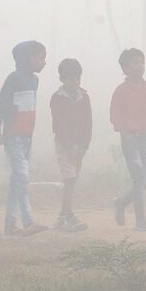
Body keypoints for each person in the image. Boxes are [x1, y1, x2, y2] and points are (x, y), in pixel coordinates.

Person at [0, 40, 49, 236]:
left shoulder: (35, 81)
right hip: (13, 135)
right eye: (41, 58)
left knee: (17, 180)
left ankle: (10, 224)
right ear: (29, 58)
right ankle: (28, 222)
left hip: (27, 136)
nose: (44, 62)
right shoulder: (14, 78)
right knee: (22, 177)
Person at [110, 48, 146, 232]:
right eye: (135, 63)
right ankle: (140, 221)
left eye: (141, 62)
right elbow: (115, 115)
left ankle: (121, 203)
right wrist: (125, 133)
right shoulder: (121, 91)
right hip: (130, 139)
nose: (139, 66)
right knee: (139, 178)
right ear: (125, 67)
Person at [50, 58, 92, 232]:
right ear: (62, 79)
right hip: (64, 144)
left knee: (73, 179)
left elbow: (88, 123)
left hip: (80, 146)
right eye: (69, 78)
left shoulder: (84, 97)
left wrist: (83, 146)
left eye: (76, 78)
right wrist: (70, 146)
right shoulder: (57, 98)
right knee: (69, 178)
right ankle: (68, 216)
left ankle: (63, 216)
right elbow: (58, 125)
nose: (73, 82)